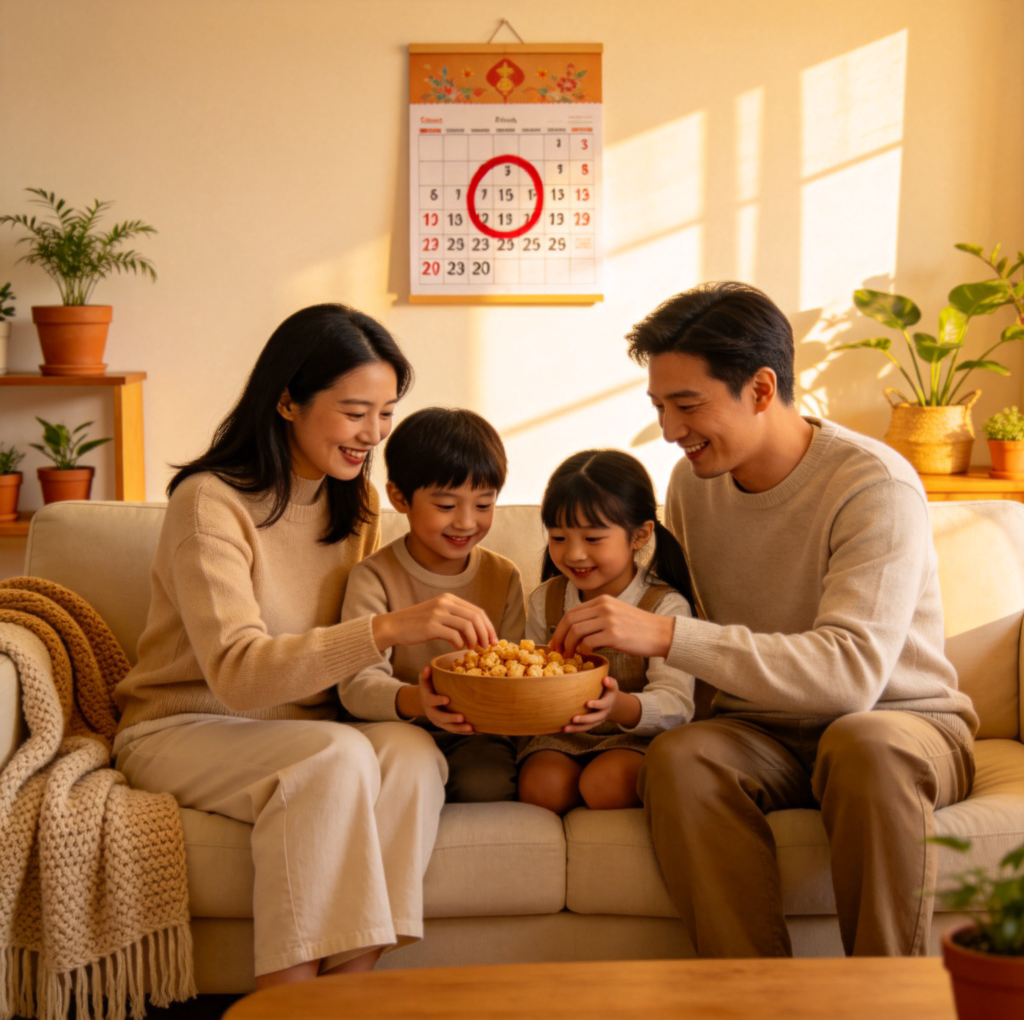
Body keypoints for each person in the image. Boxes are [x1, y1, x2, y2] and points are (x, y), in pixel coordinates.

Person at [549, 281, 978, 957]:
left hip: (900, 723)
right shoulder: (693, 484)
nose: (668, 431)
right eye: (660, 406)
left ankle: (883, 1000)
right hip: (759, 731)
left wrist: (664, 634)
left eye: (687, 405)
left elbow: (850, 677)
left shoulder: (874, 487)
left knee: (862, 746)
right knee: (681, 758)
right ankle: (753, 999)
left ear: (759, 388)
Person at [111, 303, 498, 989]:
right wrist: (387, 629)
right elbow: (237, 675)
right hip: (187, 726)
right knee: (336, 754)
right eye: (355, 412)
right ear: (288, 399)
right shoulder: (209, 503)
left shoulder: (354, 503)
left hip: (311, 730)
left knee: (411, 755)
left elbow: (350, 673)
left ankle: (351, 985)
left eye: (384, 413)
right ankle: (286, 999)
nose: (372, 434)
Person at [338, 406, 526, 802]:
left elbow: (518, 671)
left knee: (487, 784)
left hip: (476, 735)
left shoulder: (502, 576)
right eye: (445, 506)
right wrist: (419, 702)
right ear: (399, 497)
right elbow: (357, 686)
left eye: (483, 504)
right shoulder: (373, 576)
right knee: (403, 775)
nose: (465, 522)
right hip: (396, 727)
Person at [517, 449, 696, 815]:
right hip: (561, 735)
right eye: (559, 538)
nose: (574, 554)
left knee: (604, 786)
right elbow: (527, 676)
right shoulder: (545, 601)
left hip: (633, 737)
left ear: (640, 535)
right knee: (541, 789)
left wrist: (618, 706)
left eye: (593, 539)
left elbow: (677, 705)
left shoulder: (663, 607)